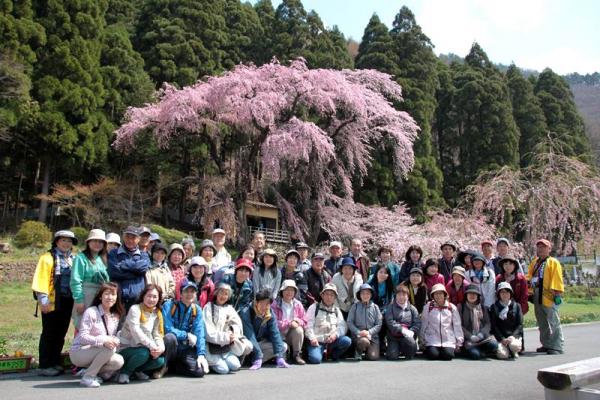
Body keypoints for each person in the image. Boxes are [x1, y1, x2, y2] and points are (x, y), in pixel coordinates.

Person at [32, 230, 78, 376]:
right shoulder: (47, 258)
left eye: (69, 241)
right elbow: (41, 279)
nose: (66, 243)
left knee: (61, 332)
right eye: (63, 240)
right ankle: (45, 364)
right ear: (57, 241)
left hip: (67, 300)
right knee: (48, 332)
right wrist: (43, 300)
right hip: (51, 300)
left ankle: (55, 361)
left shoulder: (73, 259)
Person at [69, 282, 124, 387]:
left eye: (113, 294)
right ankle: (88, 377)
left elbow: (111, 336)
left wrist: (115, 340)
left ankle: (88, 372)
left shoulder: (115, 315)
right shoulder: (91, 312)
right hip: (80, 352)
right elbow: (83, 337)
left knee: (118, 361)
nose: (110, 297)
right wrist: (103, 341)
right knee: (109, 348)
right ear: (100, 296)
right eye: (107, 294)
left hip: (98, 350)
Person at [117, 284, 166, 383]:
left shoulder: (157, 313)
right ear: (143, 296)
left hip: (145, 347)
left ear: (159, 298)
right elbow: (136, 330)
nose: (151, 299)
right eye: (148, 296)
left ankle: (136, 370)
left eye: (155, 297)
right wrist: (151, 346)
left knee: (159, 361)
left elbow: (157, 333)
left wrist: (160, 348)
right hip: (127, 347)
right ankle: (125, 372)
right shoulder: (135, 309)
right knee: (143, 353)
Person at [161, 281, 208, 378]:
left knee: (199, 372)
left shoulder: (197, 309)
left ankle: (173, 367)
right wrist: (186, 335)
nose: (189, 294)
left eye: (192, 292)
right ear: (181, 293)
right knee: (170, 338)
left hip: (185, 348)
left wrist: (201, 354)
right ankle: (163, 366)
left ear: (196, 294)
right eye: (186, 291)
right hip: (171, 347)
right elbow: (167, 328)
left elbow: (199, 332)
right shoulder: (169, 305)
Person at [203, 283, 253, 374]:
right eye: (221, 292)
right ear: (216, 293)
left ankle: (229, 359)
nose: (223, 296)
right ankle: (210, 362)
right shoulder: (208, 307)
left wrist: (232, 332)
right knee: (224, 370)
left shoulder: (229, 308)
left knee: (235, 365)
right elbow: (208, 332)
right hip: (211, 346)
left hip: (226, 346)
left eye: (226, 294)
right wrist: (226, 337)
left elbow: (237, 325)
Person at [527, 239, 564, 355]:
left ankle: (557, 345)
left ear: (549, 249)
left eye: (544, 247)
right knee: (541, 321)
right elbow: (529, 275)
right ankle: (546, 344)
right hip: (537, 294)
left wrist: (556, 293)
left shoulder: (553, 262)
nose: (541, 249)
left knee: (553, 321)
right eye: (539, 247)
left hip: (549, 294)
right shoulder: (534, 262)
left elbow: (557, 278)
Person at [240, 289, 290, 370]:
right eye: (262, 303)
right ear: (256, 302)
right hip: (248, 342)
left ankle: (255, 359)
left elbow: (275, 333)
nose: (264, 307)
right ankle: (255, 358)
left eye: (267, 304)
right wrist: (258, 354)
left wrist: (280, 356)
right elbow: (250, 335)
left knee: (283, 346)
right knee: (248, 346)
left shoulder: (270, 313)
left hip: (260, 342)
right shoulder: (246, 312)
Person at [70, 229, 109, 328]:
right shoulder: (81, 258)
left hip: (101, 297)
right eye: (94, 241)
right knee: (83, 325)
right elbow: (75, 280)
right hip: (86, 295)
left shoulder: (103, 258)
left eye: (100, 242)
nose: (97, 244)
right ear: (88, 242)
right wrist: (79, 300)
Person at [305, 283, 351, 364]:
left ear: (335, 298)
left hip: (331, 341)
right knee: (315, 359)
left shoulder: (337, 310)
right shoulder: (314, 307)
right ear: (322, 295)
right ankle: (318, 352)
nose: (329, 297)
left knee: (347, 341)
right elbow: (308, 325)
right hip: (317, 341)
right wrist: (312, 338)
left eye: (332, 295)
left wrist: (335, 335)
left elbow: (342, 326)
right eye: (326, 294)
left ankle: (333, 355)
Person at [108, 226, 151, 312]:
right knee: (117, 324)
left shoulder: (143, 255)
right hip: (118, 298)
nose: (130, 240)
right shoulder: (114, 253)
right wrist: (136, 273)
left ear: (138, 239)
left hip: (137, 300)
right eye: (127, 237)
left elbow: (143, 268)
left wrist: (124, 265)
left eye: (133, 237)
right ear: (123, 237)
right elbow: (114, 272)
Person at [420, 284, 464, 360]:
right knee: (433, 355)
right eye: (436, 294)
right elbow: (424, 323)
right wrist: (422, 340)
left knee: (448, 355)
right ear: (433, 296)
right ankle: (432, 350)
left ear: (445, 294)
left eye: (440, 293)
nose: (438, 296)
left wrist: (459, 342)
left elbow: (457, 325)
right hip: (432, 339)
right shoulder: (428, 307)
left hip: (448, 339)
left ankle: (443, 351)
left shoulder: (451, 307)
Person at [271, 280, 307, 365]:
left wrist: (297, 321)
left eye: (292, 290)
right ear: (282, 291)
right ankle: (283, 354)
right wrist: (289, 323)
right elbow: (273, 323)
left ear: (295, 292)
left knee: (299, 330)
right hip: (278, 334)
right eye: (286, 290)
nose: (289, 292)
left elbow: (305, 321)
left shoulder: (298, 304)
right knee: (282, 359)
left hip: (291, 334)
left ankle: (296, 354)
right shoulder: (275, 304)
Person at [458, 284, 498, 360]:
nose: (472, 295)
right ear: (466, 295)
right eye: (470, 293)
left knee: (494, 345)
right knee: (475, 355)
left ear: (478, 296)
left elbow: (488, 323)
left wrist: (481, 334)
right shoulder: (461, 307)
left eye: (474, 294)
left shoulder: (483, 307)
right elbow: (459, 325)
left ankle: (482, 351)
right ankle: (476, 351)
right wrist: (470, 336)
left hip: (482, 338)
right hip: (469, 339)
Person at [385, 284, 421, 360]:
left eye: (404, 295)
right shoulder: (390, 307)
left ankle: (405, 350)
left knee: (410, 354)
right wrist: (402, 329)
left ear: (407, 296)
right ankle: (395, 349)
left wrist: (411, 331)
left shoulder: (412, 308)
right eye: (399, 295)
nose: (401, 297)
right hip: (393, 337)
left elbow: (417, 323)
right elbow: (389, 322)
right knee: (392, 356)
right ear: (395, 296)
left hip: (407, 337)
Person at [347, 283, 382, 361]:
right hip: (359, 336)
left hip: (372, 336)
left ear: (371, 295)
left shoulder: (375, 307)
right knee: (363, 341)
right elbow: (349, 322)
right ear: (359, 295)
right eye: (363, 293)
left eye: (367, 293)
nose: (365, 295)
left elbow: (379, 324)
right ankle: (358, 351)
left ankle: (368, 351)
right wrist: (358, 332)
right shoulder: (355, 306)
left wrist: (369, 332)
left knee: (373, 357)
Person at [490, 282, 524, 359]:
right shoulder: (494, 307)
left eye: (507, 292)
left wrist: (512, 336)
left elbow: (520, 324)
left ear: (510, 293)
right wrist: (502, 339)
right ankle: (507, 349)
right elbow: (494, 326)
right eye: (502, 292)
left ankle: (512, 350)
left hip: (513, 336)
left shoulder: (517, 306)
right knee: (502, 355)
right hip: (501, 338)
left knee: (514, 346)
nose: (505, 294)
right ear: (498, 294)